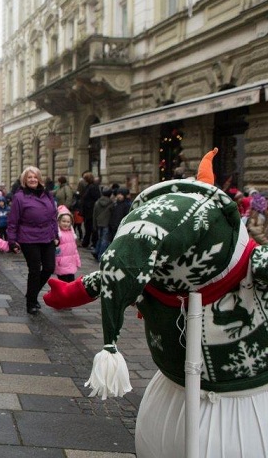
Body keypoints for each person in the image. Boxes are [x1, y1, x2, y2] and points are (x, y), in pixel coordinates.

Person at [44, 149, 268, 458]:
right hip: (174, 393)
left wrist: (70, 292)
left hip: (244, 399)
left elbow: (108, 278)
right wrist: (71, 291)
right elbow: (108, 278)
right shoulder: (152, 274)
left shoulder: (252, 266)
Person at [7, 166, 59, 314]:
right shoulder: (19, 196)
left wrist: (56, 235)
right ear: (24, 180)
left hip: (47, 236)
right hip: (28, 237)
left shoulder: (47, 194)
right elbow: (13, 221)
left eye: (35, 177)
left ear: (39, 179)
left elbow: (53, 217)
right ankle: (31, 302)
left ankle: (31, 292)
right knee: (35, 270)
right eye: (29, 177)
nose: (32, 179)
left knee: (49, 267)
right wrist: (12, 240)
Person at [54, 205, 81, 282]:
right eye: (63, 221)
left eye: (68, 222)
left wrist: (77, 261)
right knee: (64, 284)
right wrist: (55, 264)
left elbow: (74, 250)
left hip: (71, 264)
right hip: (61, 265)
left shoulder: (71, 233)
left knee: (71, 283)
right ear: (58, 221)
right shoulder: (57, 234)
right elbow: (54, 251)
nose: (66, 223)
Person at [79, 172, 101, 249]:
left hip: (91, 211)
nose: (83, 180)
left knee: (92, 228)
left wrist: (88, 205)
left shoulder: (93, 187)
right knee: (87, 227)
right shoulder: (88, 186)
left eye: (84, 179)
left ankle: (93, 243)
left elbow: (96, 198)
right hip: (87, 211)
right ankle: (86, 242)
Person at [92, 188, 114, 260]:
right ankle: (101, 256)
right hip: (106, 223)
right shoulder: (111, 203)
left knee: (100, 238)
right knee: (105, 240)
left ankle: (97, 252)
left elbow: (94, 214)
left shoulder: (97, 202)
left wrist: (94, 224)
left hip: (98, 223)